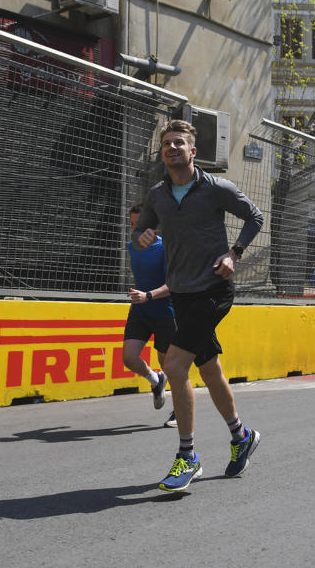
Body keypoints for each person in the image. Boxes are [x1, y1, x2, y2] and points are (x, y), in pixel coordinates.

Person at [133, 119, 264, 492]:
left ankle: (188, 456)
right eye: (167, 145)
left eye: (179, 144)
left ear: (193, 152)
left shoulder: (215, 188)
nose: (172, 148)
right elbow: (143, 232)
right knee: (209, 369)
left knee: (174, 364)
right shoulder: (158, 194)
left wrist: (233, 254)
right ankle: (241, 436)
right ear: (162, 153)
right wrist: (143, 236)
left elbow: (255, 216)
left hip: (214, 289)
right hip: (182, 293)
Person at [125, 204, 177, 427]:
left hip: (165, 312)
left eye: (141, 225)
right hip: (140, 310)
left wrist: (148, 295)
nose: (136, 230)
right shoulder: (131, 247)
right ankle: (155, 380)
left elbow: (174, 284)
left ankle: (179, 410)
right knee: (128, 358)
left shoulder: (165, 248)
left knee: (170, 365)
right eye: (132, 225)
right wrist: (141, 296)